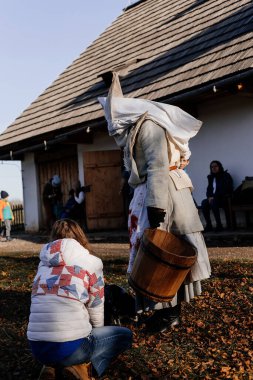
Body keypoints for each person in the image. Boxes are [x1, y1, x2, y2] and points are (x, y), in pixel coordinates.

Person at [99, 72, 211, 334]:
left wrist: (156, 208)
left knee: (164, 254)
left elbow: (158, 166)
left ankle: (169, 313)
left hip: (163, 195)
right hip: (151, 191)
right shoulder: (138, 127)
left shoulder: (149, 125)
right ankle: (160, 310)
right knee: (154, 256)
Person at [27, 219, 132, 379]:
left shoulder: (43, 264)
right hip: (73, 347)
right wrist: (97, 330)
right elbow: (96, 306)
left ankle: (50, 367)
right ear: (80, 237)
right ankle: (82, 368)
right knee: (125, 336)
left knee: (61, 344)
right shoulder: (92, 263)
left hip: (38, 348)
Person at [201, 160, 233, 232]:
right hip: (213, 199)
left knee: (213, 201)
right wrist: (209, 197)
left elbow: (226, 188)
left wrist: (214, 197)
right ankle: (209, 225)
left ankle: (219, 225)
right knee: (204, 203)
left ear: (219, 167)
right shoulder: (211, 177)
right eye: (212, 167)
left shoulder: (225, 175)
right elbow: (209, 189)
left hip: (223, 198)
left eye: (215, 166)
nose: (213, 168)